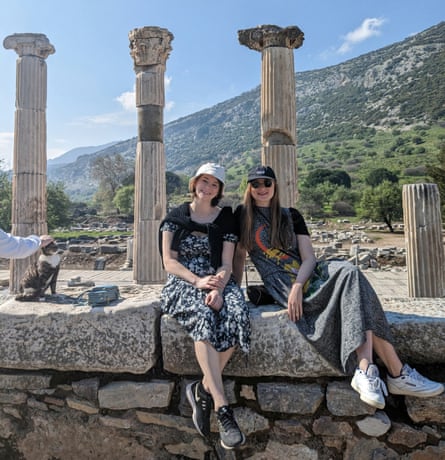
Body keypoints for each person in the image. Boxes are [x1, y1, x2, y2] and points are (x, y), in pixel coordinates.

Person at [233, 165, 444, 410]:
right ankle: (396, 374)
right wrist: (233, 294)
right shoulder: (241, 216)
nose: (261, 188)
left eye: (266, 183)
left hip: (307, 277)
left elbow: (309, 258)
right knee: (357, 292)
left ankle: (366, 370)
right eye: (256, 184)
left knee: (350, 272)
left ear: (275, 186)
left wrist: (298, 286)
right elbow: (237, 257)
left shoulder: (291, 215)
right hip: (281, 283)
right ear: (249, 187)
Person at [159, 162, 250, 450]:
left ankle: (203, 388)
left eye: (214, 184)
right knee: (203, 313)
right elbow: (169, 262)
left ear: (219, 189)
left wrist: (219, 287)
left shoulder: (225, 218)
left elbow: (226, 262)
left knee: (236, 312)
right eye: (204, 181)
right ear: (194, 182)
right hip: (184, 280)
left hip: (218, 278)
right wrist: (198, 282)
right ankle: (223, 408)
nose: (207, 187)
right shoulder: (176, 217)